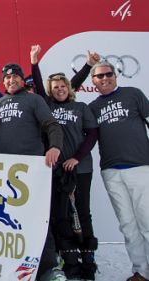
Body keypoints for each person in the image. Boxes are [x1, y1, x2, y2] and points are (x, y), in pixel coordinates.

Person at [0, 63, 65, 281]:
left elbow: (52, 125)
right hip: (5, 173)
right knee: (7, 220)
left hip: (32, 171)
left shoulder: (34, 99)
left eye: (15, 77)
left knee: (38, 220)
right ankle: (10, 267)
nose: (11, 80)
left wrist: (55, 146)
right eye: (7, 78)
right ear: (3, 81)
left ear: (22, 79)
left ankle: (49, 268)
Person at [30, 45, 100, 280]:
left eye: (63, 86)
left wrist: (76, 158)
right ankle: (70, 260)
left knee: (83, 212)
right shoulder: (47, 105)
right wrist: (34, 63)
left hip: (80, 168)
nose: (59, 90)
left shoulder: (80, 107)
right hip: (56, 170)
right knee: (60, 215)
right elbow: (39, 86)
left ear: (69, 88)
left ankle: (88, 261)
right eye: (55, 88)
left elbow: (91, 135)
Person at [88, 61, 149, 281]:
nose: (104, 79)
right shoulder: (93, 107)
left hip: (140, 165)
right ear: (93, 81)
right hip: (111, 171)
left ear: (116, 75)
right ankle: (141, 271)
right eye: (99, 76)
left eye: (108, 74)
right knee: (127, 224)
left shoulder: (133, 94)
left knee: (147, 220)